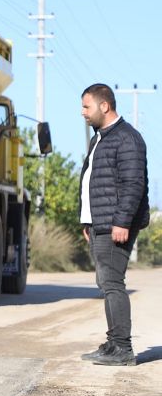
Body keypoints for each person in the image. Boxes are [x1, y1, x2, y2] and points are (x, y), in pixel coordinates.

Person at [78, 83, 149, 366]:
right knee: (105, 282)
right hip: (100, 222)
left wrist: (122, 222)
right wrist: (86, 220)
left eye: (86, 106)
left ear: (104, 106)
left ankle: (123, 349)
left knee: (112, 283)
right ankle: (113, 343)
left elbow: (133, 185)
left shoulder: (127, 139)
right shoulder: (101, 138)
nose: (83, 112)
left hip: (114, 224)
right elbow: (93, 181)